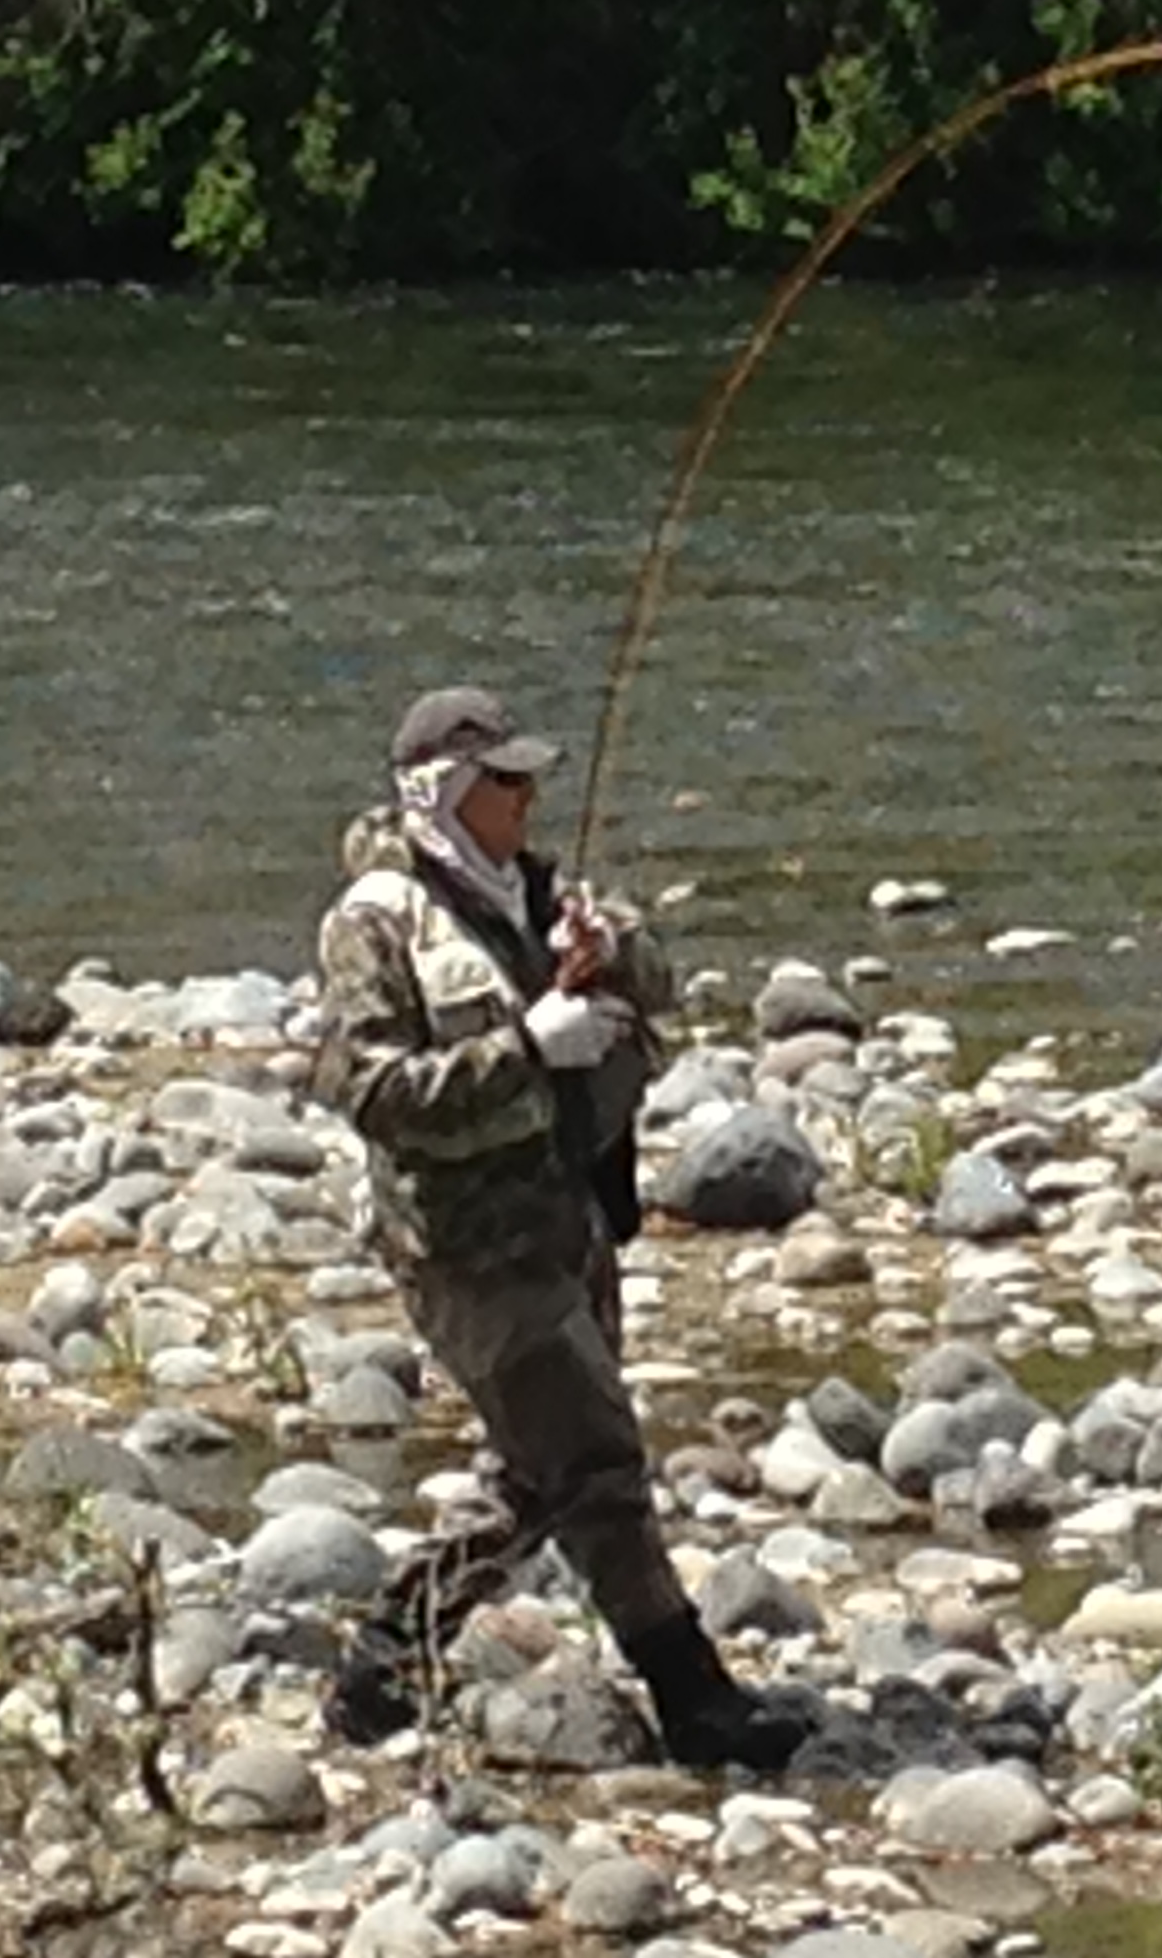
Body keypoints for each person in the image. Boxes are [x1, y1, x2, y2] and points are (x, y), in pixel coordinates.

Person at [308, 685, 811, 1771]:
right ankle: (694, 1697)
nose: (526, 799)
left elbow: (660, 984)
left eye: (529, 779)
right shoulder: (374, 923)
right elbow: (372, 1094)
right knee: (598, 1467)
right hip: (470, 1253)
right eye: (503, 781)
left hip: (574, 1222)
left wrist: (609, 948)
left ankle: (380, 1671)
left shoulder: (539, 892)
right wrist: (530, 1049)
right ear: (440, 792)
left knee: (540, 1479)